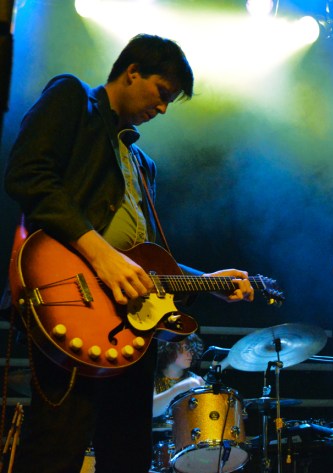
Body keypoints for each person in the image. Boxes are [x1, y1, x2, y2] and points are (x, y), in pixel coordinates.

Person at [4, 34, 254, 473]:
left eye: (169, 101)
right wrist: (101, 255)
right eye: (162, 92)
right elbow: (28, 175)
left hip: (130, 327)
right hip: (73, 301)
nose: (163, 108)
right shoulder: (73, 97)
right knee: (56, 446)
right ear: (133, 71)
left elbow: (142, 261)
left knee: (127, 455)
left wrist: (208, 282)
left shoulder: (142, 163)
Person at [153, 333, 206, 420]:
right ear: (170, 348)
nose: (191, 354)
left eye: (192, 349)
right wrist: (178, 389)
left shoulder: (195, 379)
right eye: (186, 348)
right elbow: (152, 411)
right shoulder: (153, 378)